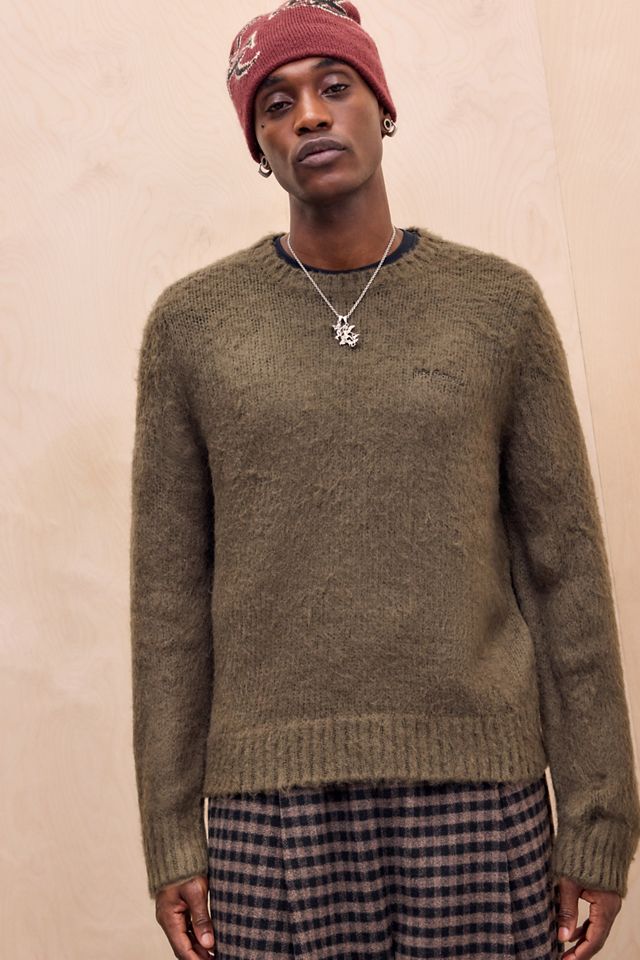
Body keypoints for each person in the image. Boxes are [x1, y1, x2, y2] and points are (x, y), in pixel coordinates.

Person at [129, 2, 640, 957]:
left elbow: (565, 574)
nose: (310, 116)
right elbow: (168, 600)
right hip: (269, 809)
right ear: (258, 146)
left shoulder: (498, 309)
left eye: (336, 86)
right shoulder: (193, 328)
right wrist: (171, 834)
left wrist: (599, 819)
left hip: (481, 795)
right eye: (276, 104)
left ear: (384, 107)